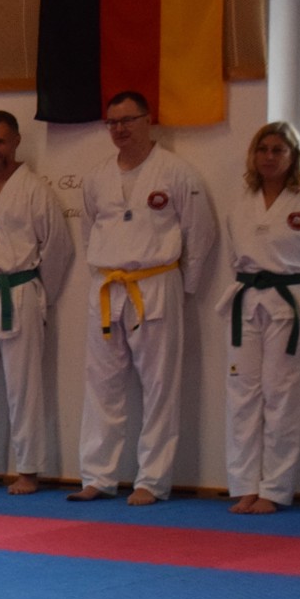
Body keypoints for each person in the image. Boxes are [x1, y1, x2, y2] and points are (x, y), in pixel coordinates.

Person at [69, 91, 216, 506]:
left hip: (156, 282)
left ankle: (152, 480)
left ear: (148, 120)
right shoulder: (97, 177)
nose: (119, 129)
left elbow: (201, 233)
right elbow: (88, 234)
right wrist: (102, 271)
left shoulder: (177, 172)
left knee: (159, 387)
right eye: (112, 122)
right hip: (108, 286)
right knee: (101, 385)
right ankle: (98, 476)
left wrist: (184, 288)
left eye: (127, 120)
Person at [218, 122, 300, 514]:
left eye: (279, 150)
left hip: (295, 303)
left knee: (284, 397)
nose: (270, 156)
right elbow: (234, 257)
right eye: (263, 149)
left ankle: (275, 489)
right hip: (248, 301)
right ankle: (244, 485)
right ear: (253, 155)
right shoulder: (242, 201)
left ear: (293, 156)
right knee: (242, 395)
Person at [0, 111, 72, 495]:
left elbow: (58, 248)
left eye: (0, 141)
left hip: (20, 292)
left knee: (23, 387)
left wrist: (39, 295)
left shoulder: (35, 190)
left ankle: (28, 469)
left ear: (16, 141)